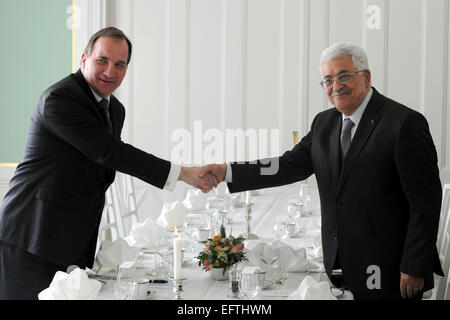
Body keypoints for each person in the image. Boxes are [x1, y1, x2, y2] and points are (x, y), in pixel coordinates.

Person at [200, 43, 444, 300]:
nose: (335, 86)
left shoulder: (404, 123)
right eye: (328, 79)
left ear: (366, 76)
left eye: (344, 76)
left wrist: (415, 264)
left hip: (391, 267)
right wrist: (227, 171)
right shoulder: (323, 123)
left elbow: (425, 202)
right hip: (341, 262)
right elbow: (285, 166)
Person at [0, 27, 217, 300]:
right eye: (102, 60)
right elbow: (110, 153)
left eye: (120, 64)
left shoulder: (115, 109)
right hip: (32, 236)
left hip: (72, 239)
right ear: (84, 60)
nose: (110, 71)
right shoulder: (60, 99)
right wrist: (185, 174)